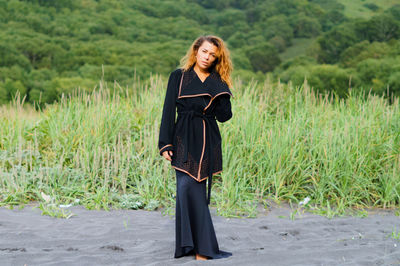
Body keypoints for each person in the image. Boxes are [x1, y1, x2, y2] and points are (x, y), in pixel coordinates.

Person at [158, 35, 233, 260]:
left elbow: (224, 117)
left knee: (195, 188)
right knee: (184, 189)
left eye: (212, 55)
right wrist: (165, 144)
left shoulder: (216, 80)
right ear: (196, 51)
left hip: (206, 139)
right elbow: (168, 111)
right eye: (204, 52)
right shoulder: (178, 77)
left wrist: (222, 88)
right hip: (182, 138)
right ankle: (189, 245)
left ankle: (203, 249)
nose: (207, 57)